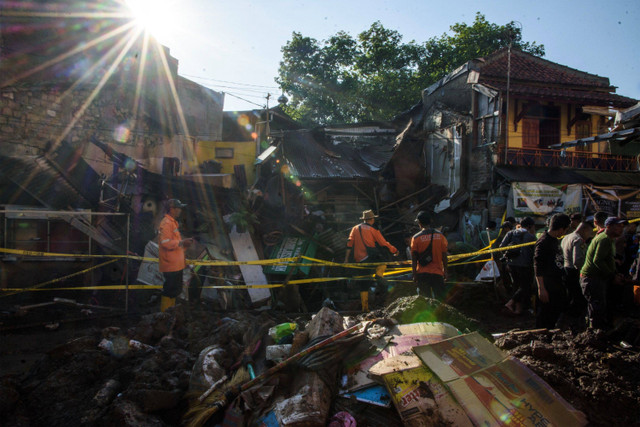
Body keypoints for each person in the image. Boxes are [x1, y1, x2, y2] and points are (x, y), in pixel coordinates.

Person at [580, 217, 628, 329]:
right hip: (592, 278)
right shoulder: (604, 239)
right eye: (618, 226)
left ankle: (597, 332)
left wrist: (615, 273)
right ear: (608, 226)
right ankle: (594, 335)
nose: (621, 229)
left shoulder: (609, 239)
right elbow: (598, 260)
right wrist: (612, 276)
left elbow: (608, 259)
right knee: (597, 307)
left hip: (597, 278)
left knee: (599, 307)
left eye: (622, 226)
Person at [345, 210, 398, 310]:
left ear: (364, 219)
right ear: (372, 219)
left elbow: (349, 244)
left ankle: (365, 308)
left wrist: (346, 259)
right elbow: (383, 243)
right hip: (370, 258)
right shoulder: (373, 229)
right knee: (383, 263)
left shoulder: (355, 228)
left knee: (363, 284)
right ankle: (378, 275)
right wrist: (394, 250)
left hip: (359, 260)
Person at [534, 213, 571, 329]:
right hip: (547, 285)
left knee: (556, 310)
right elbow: (537, 266)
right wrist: (541, 288)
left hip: (556, 283)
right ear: (561, 229)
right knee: (545, 314)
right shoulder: (544, 242)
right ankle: (541, 337)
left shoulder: (554, 240)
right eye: (565, 229)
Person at [158, 199, 194, 312]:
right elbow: (165, 243)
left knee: (175, 290)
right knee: (169, 290)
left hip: (176, 265)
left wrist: (185, 245)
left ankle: (170, 313)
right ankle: (164, 315)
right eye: (178, 208)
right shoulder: (166, 223)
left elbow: (176, 245)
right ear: (172, 209)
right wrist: (182, 242)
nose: (180, 210)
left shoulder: (173, 222)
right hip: (170, 265)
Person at [561, 221, 594, 327]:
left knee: (569, 297)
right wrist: (585, 272)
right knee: (578, 299)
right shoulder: (578, 240)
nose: (589, 235)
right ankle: (574, 323)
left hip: (565, 269)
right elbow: (578, 261)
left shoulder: (567, 237)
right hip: (574, 272)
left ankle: (565, 321)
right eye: (590, 232)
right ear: (584, 229)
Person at [501, 217, 537, 315]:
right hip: (525, 265)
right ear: (530, 226)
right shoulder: (531, 236)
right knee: (525, 286)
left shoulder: (511, 233)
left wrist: (508, 258)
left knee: (516, 286)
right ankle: (510, 303)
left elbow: (501, 247)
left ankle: (518, 309)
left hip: (511, 264)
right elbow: (535, 252)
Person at [411, 211, 448, 300]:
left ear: (419, 223)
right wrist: (445, 271)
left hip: (422, 274)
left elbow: (414, 260)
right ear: (430, 221)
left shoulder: (415, 238)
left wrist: (414, 275)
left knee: (424, 302)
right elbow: (444, 255)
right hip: (437, 273)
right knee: (440, 302)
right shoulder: (440, 236)